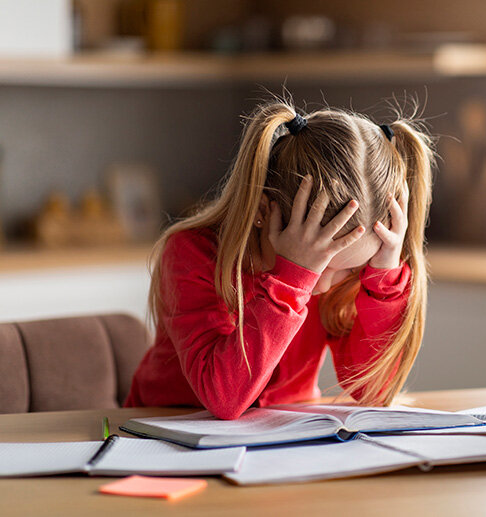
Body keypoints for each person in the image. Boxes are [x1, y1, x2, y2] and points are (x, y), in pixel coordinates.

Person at [125, 98, 435, 420]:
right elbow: (224, 399)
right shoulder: (192, 252)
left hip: (278, 441)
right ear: (262, 211)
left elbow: (374, 391)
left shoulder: (348, 271)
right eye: (318, 266)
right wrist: (292, 279)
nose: (322, 285)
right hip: (161, 432)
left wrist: (383, 279)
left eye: (351, 268)